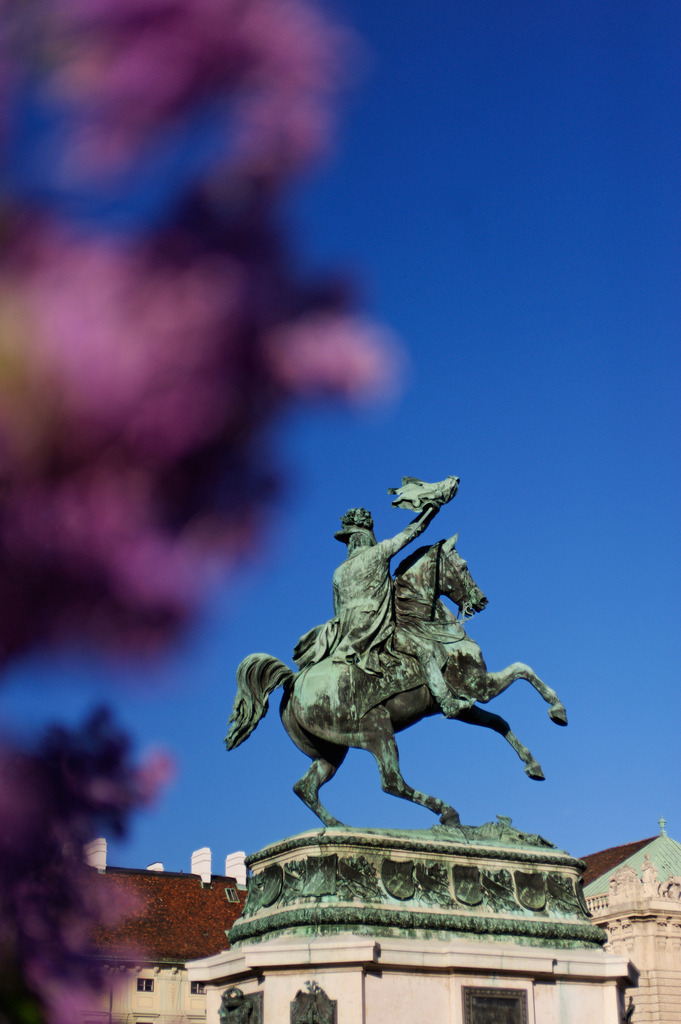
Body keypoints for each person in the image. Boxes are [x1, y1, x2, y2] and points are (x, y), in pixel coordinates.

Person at [293, 476, 465, 716]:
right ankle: (447, 701)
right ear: (366, 535)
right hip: (378, 629)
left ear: (350, 539)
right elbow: (411, 533)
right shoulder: (378, 553)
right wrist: (431, 509)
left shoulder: (338, 572)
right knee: (425, 651)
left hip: (348, 636)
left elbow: (337, 611)